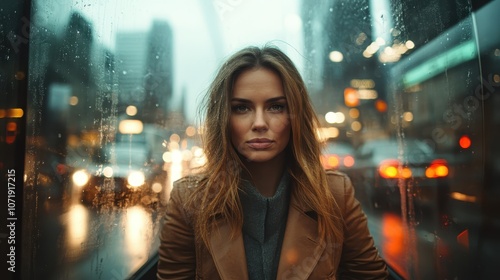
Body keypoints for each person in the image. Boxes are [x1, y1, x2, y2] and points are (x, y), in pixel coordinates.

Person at [157, 45, 388, 279]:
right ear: (223, 119)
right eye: (241, 108)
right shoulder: (189, 200)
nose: (259, 123)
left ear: (295, 117)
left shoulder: (336, 195)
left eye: (276, 107)